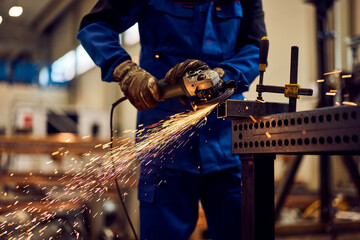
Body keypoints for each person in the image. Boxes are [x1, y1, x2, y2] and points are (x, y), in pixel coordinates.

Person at [78, 0, 266, 239]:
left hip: (227, 145)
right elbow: (94, 26)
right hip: (164, 149)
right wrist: (123, 68)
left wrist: (224, 75)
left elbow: (255, 45)